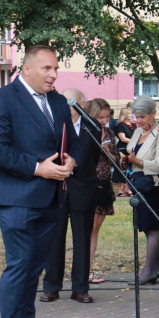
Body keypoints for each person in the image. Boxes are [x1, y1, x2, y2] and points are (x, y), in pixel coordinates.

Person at [0, 46, 76, 318]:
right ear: (26, 68)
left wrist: (71, 160)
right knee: (20, 265)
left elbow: (70, 142)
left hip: (51, 195)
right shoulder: (0, 100)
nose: (54, 75)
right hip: (15, 196)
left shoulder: (59, 102)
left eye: (56, 69)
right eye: (47, 68)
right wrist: (38, 168)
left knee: (34, 267)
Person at [40, 88, 98, 304]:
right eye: (64, 102)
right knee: (54, 239)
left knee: (82, 240)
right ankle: (51, 286)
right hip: (56, 187)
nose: (67, 106)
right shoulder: (52, 123)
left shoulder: (92, 127)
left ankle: (80, 288)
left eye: (71, 102)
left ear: (81, 105)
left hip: (82, 189)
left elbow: (86, 153)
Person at [122, 95, 159, 285]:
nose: (139, 121)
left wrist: (137, 161)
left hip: (153, 186)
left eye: (142, 117)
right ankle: (157, 268)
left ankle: (150, 270)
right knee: (145, 227)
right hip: (138, 184)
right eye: (136, 117)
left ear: (153, 113)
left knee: (152, 228)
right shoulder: (136, 132)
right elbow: (130, 153)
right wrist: (125, 160)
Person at [86, 98, 119, 285]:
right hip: (86, 184)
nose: (104, 121)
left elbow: (116, 161)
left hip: (103, 183)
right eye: (100, 117)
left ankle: (88, 270)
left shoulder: (109, 132)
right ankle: (83, 270)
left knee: (95, 230)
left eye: (107, 117)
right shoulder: (84, 131)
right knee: (86, 229)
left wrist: (108, 153)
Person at [114, 104, 135, 197]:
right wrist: (135, 140)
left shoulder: (134, 125)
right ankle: (119, 190)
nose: (131, 114)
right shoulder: (120, 125)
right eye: (129, 113)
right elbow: (123, 139)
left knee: (130, 170)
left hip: (131, 149)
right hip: (122, 149)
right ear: (125, 114)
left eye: (131, 113)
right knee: (121, 169)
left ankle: (128, 189)